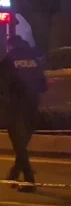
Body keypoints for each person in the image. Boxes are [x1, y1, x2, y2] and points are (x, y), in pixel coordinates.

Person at [0, 35, 48, 191]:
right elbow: (43, 85)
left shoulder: (8, 61)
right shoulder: (34, 59)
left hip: (14, 108)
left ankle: (29, 181)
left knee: (19, 146)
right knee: (22, 145)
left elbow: (3, 86)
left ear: (10, 46)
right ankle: (13, 175)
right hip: (32, 107)